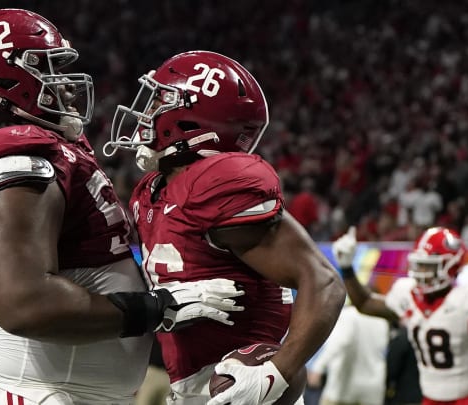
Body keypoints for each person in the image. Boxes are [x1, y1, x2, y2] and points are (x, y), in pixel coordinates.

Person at [0, 9, 243, 405]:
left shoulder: (46, 156)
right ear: (5, 80)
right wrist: (159, 307)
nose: (62, 85)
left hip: (66, 392)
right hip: (36, 392)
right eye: (46, 68)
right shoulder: (15, 163)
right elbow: (23, 304)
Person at [105, 50, 346, 405]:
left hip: (235, 384)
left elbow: (324, 282)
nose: (147, 113)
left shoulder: (217, 183)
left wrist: (275, 373)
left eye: (161, 101)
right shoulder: (149, 191)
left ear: (192, 120)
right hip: (186, 386)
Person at [333, 226, 468, 405]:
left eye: (428, 266)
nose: (420, 272)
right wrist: (347, 268)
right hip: (430, 399)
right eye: (419, 264)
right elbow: (365, 303)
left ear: (451, 266)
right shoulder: (407, 294)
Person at [308, 304, 389, 405]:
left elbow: (339, 343)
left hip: (344, 389)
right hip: (373, 389)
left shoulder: (349, 315)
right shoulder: (382, 320)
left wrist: (318, 368)